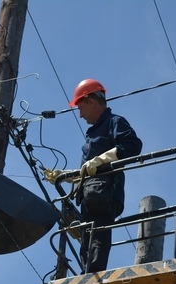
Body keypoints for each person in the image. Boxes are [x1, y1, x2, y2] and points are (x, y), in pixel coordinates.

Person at [69, 78, 142, 273]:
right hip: (90, 194)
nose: (80, 115)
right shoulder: (93, 133)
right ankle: (87, 274)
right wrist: (68, 176)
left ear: (91, 101)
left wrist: (101, 159)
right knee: (88, 240)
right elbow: (88, 168)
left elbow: (132, 146)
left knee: (97, 238)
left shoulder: (114, 122)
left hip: (105, 193)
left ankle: (92, 276)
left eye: (81, 108)